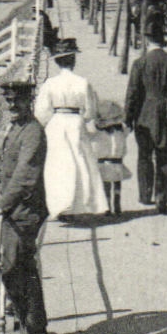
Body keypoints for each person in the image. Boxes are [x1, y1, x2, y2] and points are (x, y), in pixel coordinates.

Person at [0, 80, 49, 334]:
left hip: (26, 209)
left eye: (18, 100)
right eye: (9, 101)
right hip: (15, 208)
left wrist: (4, 203)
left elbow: (26, 175)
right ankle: (27, 319)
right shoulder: (17, 128)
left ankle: (33, 328)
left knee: (16, 266)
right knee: (17, 266)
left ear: (30, 101)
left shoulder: (33, 132)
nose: (13, 105)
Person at [125, 15, 167, 213]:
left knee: (144, 157)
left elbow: (133, 94)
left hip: (144, 117)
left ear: (146, 40)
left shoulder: (140, 63)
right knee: (165, 158)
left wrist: (128, 119)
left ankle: (145, 196)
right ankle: (162, 200)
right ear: (163, 40)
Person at [34, 39, 105, 219]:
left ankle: (59, 205)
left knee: (58, 165)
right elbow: (90, 111)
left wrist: (47, 123)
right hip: (75, 123)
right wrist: (81, 118)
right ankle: (77, 205)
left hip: (56, 123)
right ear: (73, 60)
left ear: (57, 62)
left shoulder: (50, 83)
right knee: (79, 163)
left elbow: (41, 111)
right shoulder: (83, 82)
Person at [92, 100, 131, 217]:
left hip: (105, 163)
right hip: (117, 162)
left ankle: (108, 205)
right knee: (117, 183)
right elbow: (128, 129)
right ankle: (116, 203)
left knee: (107, 185)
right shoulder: (120, 132)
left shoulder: (99, 133)